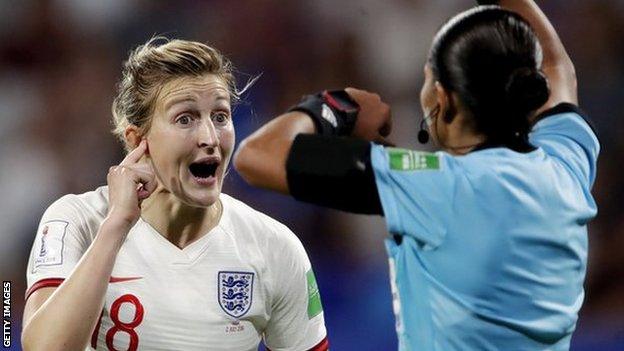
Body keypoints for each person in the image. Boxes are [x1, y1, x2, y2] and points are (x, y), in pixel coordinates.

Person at [233, 0, 599, 350]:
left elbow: (255, 155)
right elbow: (555, 66)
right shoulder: (568, 159)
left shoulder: (435, 188)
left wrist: (336, 105)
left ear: (443, 99)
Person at [21, 38, 329, 351]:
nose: (210, 137)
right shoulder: (77, 221)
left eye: (220, 116)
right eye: (185, 119)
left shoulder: (274, 247)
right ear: (138, 140)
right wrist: (115, 227)